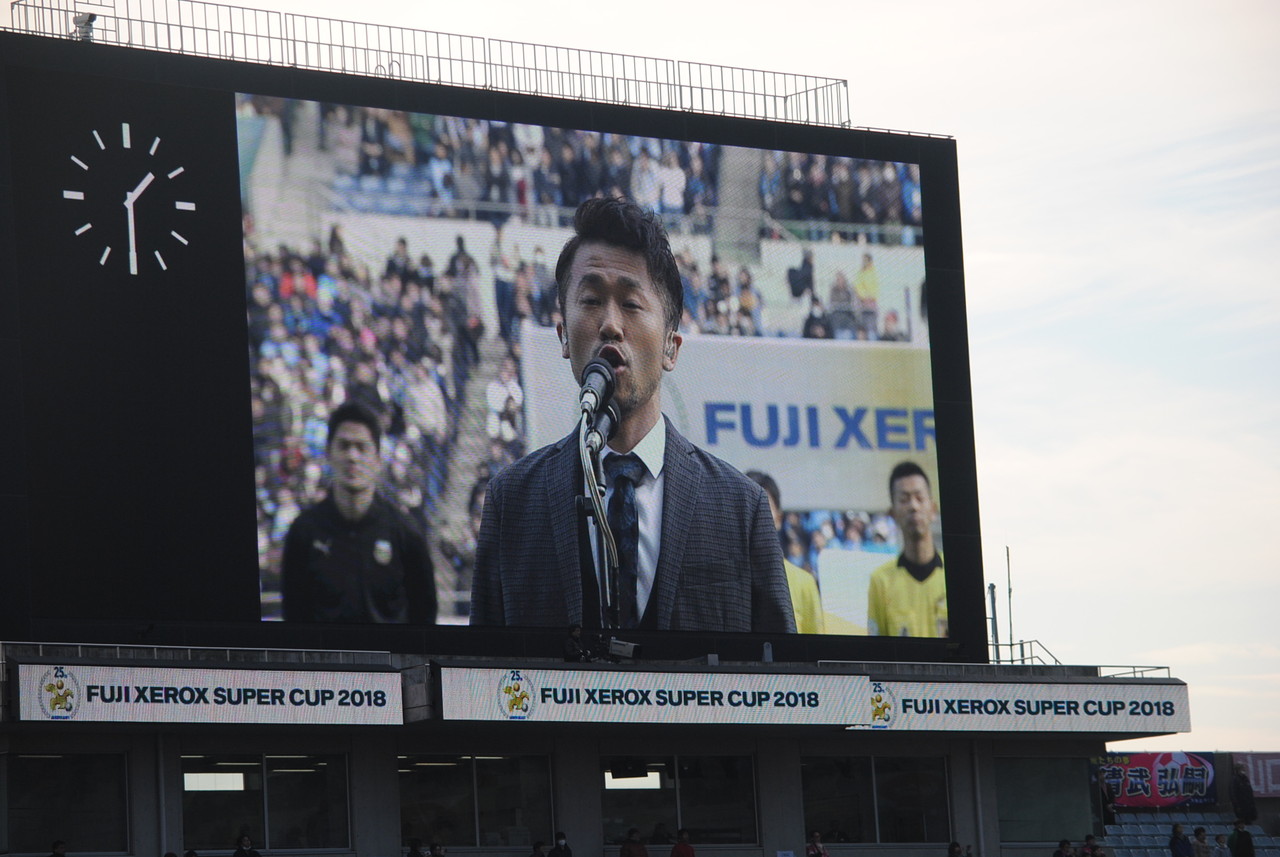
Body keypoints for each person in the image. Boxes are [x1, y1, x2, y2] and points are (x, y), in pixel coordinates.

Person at [470, 197, 794, 632]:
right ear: (563, 336)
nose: (610, 324)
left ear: (670, 347)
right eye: (590, 300)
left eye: (631, 303)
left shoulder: (741, 510)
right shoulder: (512, 502)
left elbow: (781, 684)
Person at [282, 402, 438, 623]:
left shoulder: (406, 533)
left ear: (377, 458)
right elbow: (294, 617)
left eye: (361, 447)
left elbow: (425, 620)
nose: (352, 457)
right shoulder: (303, 533)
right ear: (328, 453)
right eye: (344, 446)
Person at [866, 461, 946, 637]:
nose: (913, 507)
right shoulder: (881, 581)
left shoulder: (955, 574)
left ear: (933, 509)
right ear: (892, 514)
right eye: (904, 500)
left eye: (919, 498)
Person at [746, 471, 824, 633]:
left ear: (779, 519)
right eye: (747, 509)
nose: (755, 518)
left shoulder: (804, 582)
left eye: (764, 509)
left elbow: (816, 650)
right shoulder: (724, 581)